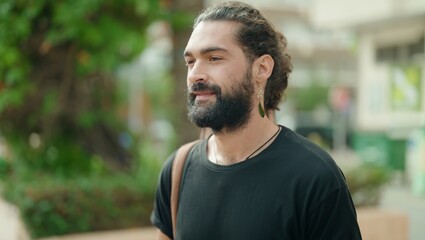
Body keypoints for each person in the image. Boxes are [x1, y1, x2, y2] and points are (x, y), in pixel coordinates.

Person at [151, 1, 362, 239]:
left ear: (261, 69)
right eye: (190, 61)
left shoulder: (315, 177)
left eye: (214, 58)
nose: (195, 74)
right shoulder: (177, 170)